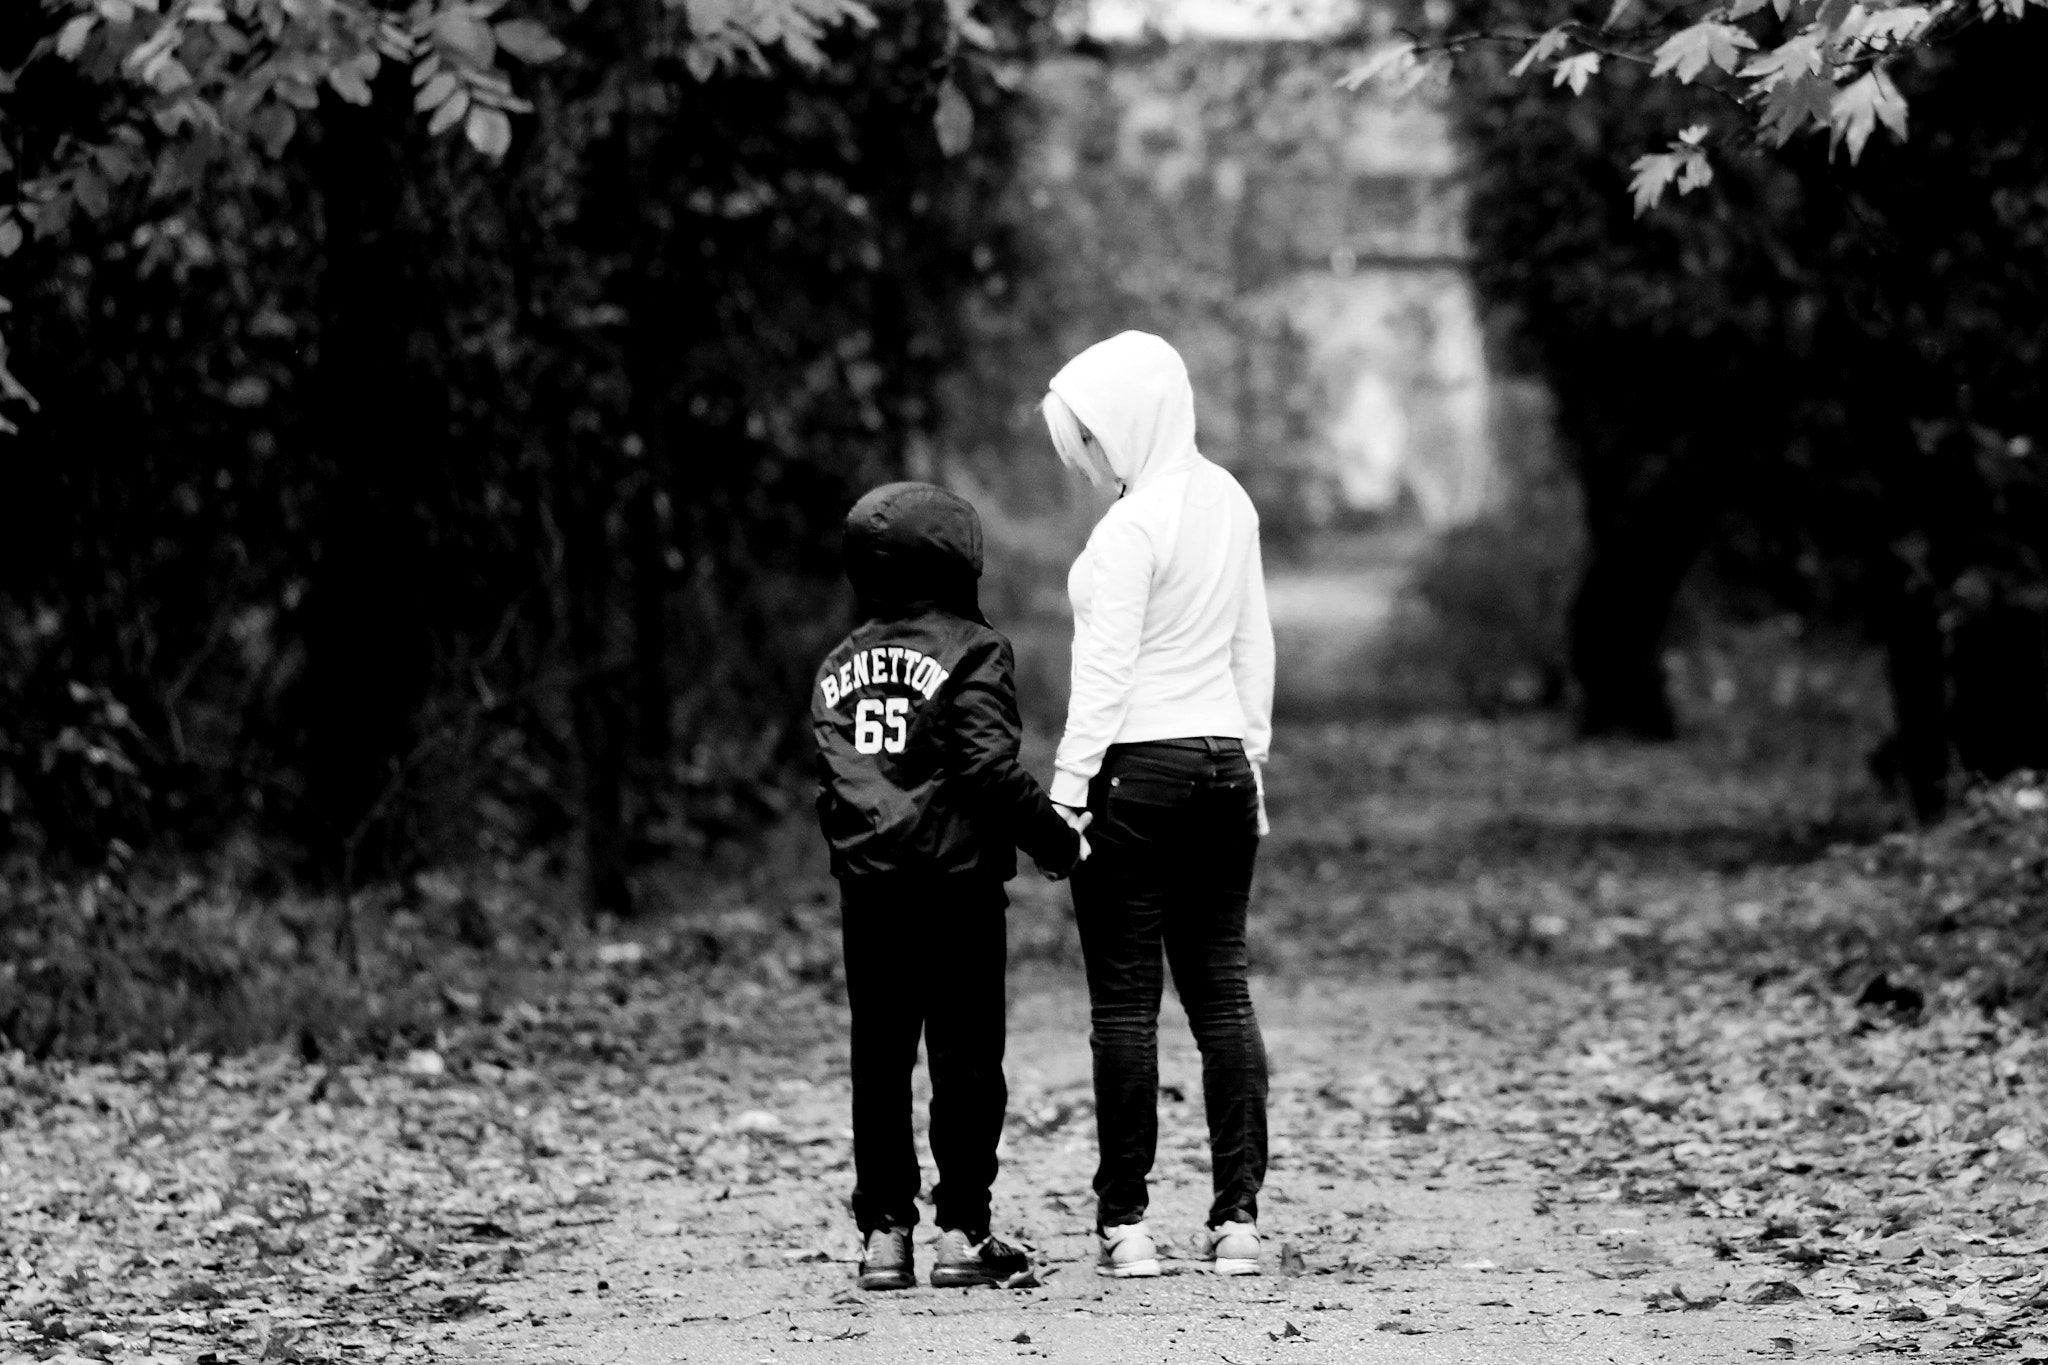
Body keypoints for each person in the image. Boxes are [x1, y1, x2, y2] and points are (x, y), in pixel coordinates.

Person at [812, 481, 1088, 1291]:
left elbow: (838, 779)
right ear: (957, 557)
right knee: (965, 1060)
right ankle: (963, 1228)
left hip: (870, 893)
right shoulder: (973, 648)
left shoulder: (838, 662)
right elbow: (985, 767)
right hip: (957, 888)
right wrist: (1057, 840)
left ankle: (884, 1236)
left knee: (881, 1056)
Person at [1041, 330, 1274, 1278]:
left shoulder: (1133, 529)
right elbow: (1253, 643)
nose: (1090, 462)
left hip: (1134, 770)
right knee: (1221, 991)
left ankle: (1125, 1224)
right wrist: (1249, 760)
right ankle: (1239, 1222)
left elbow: (1106, 672)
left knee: (1126, 1007)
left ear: (1132, 421)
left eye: (1092, 440)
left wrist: (1065, 790)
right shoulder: (1231, 501)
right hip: (1222, 765)